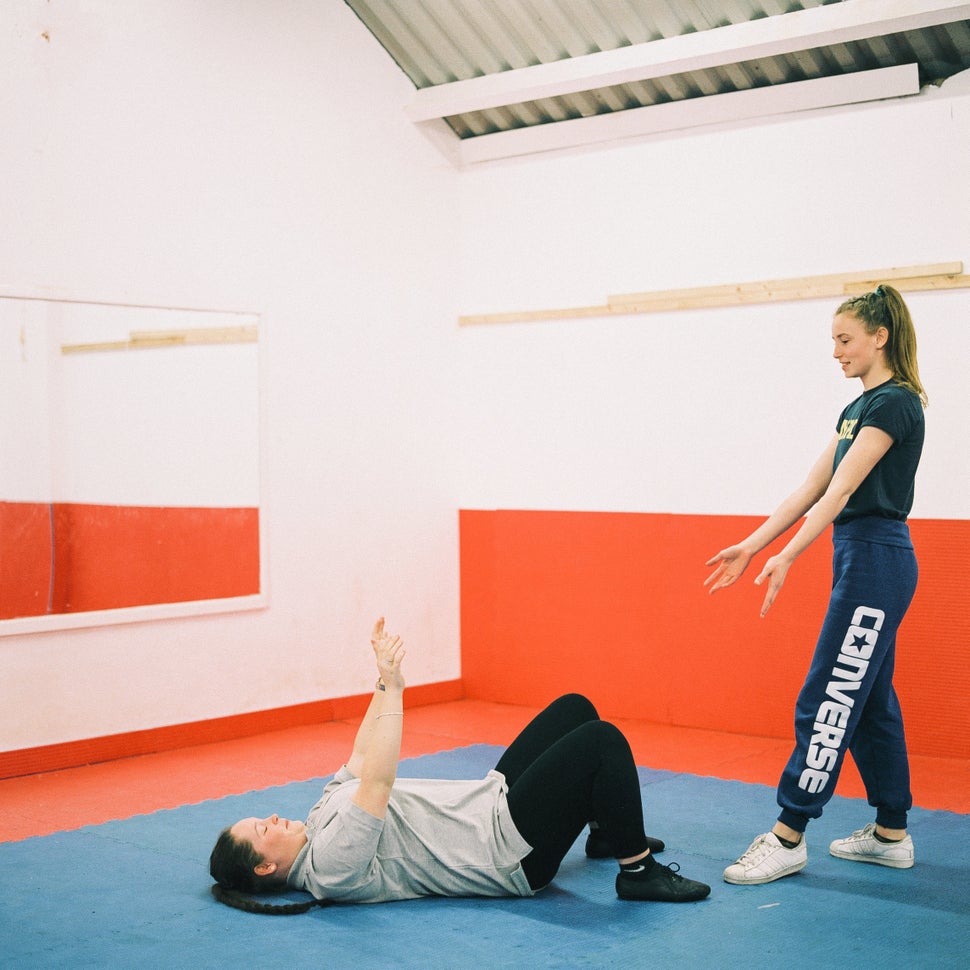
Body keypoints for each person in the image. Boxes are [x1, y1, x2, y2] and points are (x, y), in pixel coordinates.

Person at [209, 618, 710, 913]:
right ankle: (637, 870)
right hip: (504, 852)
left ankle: (604, 833)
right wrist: (399, 688)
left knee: (575, 708)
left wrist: (381, 681)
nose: (272, 817)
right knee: (601, 742)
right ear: (265, 865)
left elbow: (362, 757)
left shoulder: (318, 820)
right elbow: (380, 778)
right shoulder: (329, 866)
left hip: (488, 805)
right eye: (261, 828)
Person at [704, 284, 926, 885]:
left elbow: (843, 491)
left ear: (880, 337)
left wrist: (792, 555)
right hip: (860, 557)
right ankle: (890, 834)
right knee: (870, 701)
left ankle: (789, 833)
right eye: (834, 340)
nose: (836, 351)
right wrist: (754, 545)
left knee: (829, 695)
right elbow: (810, 486)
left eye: (845, 339)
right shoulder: (857, 408)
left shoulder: (896, 404)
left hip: (878, 558)